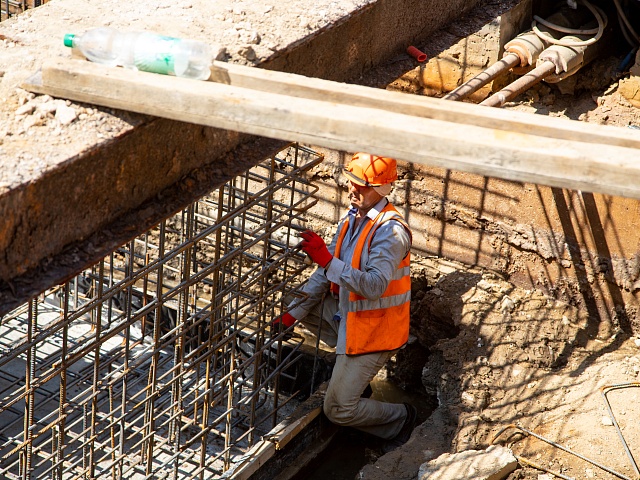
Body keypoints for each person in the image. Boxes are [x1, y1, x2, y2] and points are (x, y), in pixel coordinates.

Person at [274, 152, 417, 449]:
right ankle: (351, 378)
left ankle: (401, 418)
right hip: (350, 318)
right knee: (297, 300)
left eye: (361, 185)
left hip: (375, 332)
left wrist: (327, 261)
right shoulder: (352, 218)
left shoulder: (390, 233)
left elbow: (375, 286)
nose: (352, 189)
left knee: (337, 409)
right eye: (351, 182)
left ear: (381, 189)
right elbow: (324, 274)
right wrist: (292, 315)